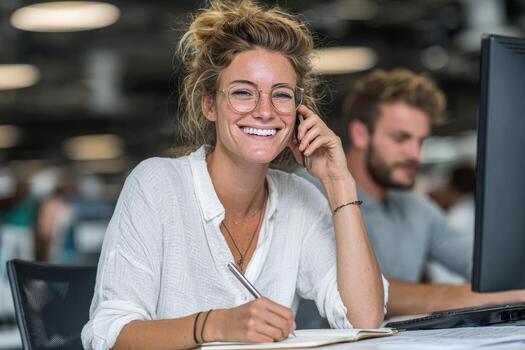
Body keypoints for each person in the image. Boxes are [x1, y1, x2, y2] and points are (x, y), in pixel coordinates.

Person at [81, 1, 387, 349]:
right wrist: (215, 324)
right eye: (243, 92)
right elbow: (111, 335)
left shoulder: (300, 197)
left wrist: (338, 184)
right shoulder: (156, 185)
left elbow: (364, 320)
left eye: (282, 95)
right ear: (209, 105)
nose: (265, 111)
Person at [320, 68, 525, 316]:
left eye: (420, 141)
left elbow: (478, 264)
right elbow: (369, 293)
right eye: (401, 138)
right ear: (360, 134)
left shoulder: (416, 208)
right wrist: (502, 295)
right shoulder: (313, 195)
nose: (415, 155)